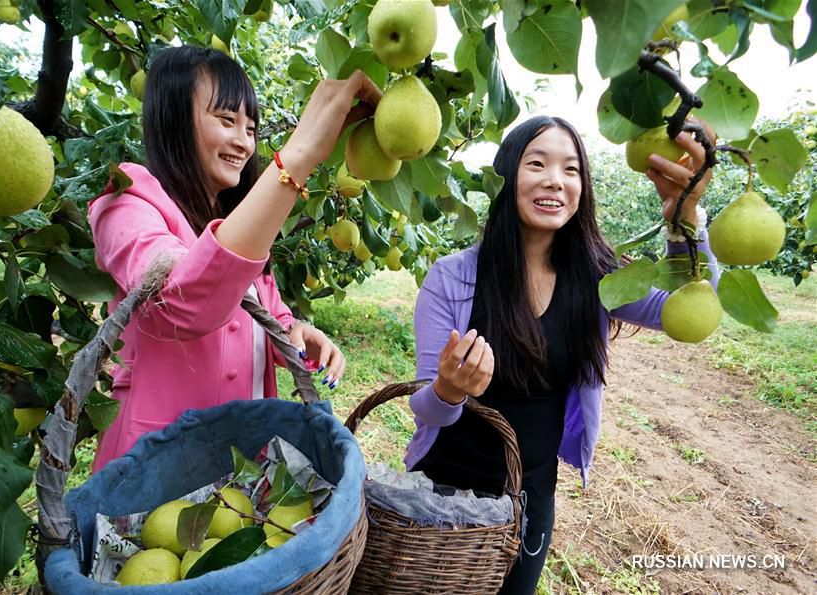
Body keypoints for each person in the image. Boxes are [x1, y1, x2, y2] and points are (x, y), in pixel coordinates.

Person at [404, 115, 719, 593]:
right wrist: (448, 389)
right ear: (507, 176)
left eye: (571, 169)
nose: (555, 179)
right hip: (443, 488)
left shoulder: (597, 277)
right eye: (537, 163)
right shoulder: (453, 278)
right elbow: (425, 407)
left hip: (528, 497)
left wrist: (686, 217)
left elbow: (687, 309)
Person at [89, 46, 382, 473]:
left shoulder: (237, 220)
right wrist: (298, 157)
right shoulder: (127, 199)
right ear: (173, 119)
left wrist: (297, 333)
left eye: (251, 127)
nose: (244, 141)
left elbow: (267, 314)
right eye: (227, 121)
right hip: (155, 465)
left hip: (242, 461)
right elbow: (178, 303)